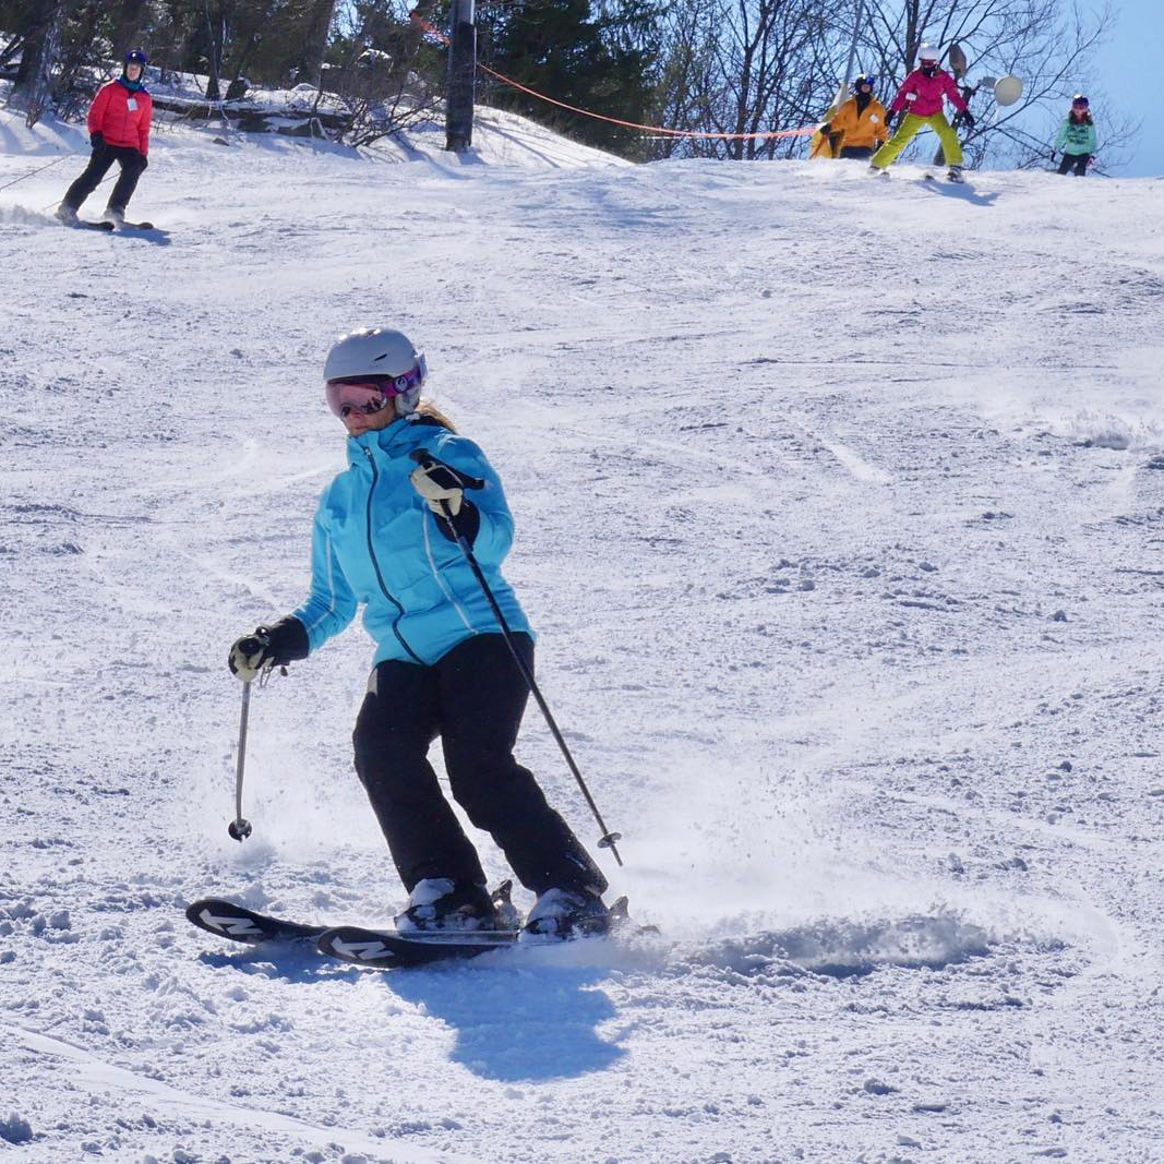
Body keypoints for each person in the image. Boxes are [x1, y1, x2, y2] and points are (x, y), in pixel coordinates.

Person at [226, 328, 611, 940]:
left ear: (404, 393)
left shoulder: (448, 454)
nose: (354, 416)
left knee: (477, 769)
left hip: (481, 634)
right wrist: (278, 640)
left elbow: (496, 543)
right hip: (403, 651)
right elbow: (331, 600)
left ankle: (572, 890)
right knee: (381, 752)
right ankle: (451, 890)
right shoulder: (340, 498)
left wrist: (457, 507)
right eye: (340, 402)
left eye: (367, 400)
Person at [57, 49, 152, 227]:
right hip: (107, 140)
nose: (133, 71)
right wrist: (96, 134)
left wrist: (143, 154)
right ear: (125, 68)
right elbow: (95, 114)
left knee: (132, 171)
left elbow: (143, 128)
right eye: (131, 67)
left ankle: (115, 210)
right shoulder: (110, 89)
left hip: (130, 144)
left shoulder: (144, 98)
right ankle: (67, 208)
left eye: (137, 69)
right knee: (93, 176)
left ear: (141, 72)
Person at [868, 45, 974, 181]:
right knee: (900, 139)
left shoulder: (943, 77)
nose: (925, 66)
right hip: (916, 112)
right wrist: (892, 111)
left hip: (935, 113)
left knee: (948, 133)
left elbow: (953, 96)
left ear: (936, 63)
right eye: (923, 63)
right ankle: (876, 165)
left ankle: (955, 167)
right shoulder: (915, 76)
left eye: (929, 63)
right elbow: (903, 94)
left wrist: (965, 111)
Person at [817, 74, 891, 160]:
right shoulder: (848, 105)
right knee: (844, 171)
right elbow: (839, 121)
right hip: (847, 146)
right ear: (859, 87)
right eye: (864, 86)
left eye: (868, 86)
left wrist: (881, 143)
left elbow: (881, 128)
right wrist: (829, 127)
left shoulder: (877, 108)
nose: (866, 88)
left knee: (860, 170)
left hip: (866, 147)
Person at [1053, 95, 1097, 176]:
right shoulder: (1067, 122)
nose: (1078, 110)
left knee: (1079, 173)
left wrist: (1092, 155)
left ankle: (1079, 187)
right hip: (1070, 152)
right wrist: (1055, 149)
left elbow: (1092, 140)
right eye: (1075, 107)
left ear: (1085, 109)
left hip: (1084, 153)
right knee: (1061, 173)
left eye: (1081, 107)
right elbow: (1061, 136)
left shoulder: (1089, 124)